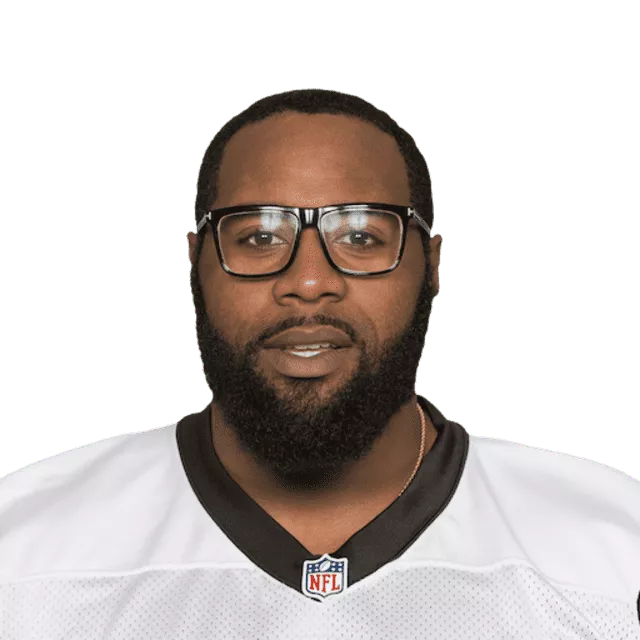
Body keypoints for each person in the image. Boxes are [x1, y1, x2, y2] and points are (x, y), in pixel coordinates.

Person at [0, 88, 638, 639]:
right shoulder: (24, 550)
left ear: (432, 265)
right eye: (258, 236)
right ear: (194, 263)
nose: (308, 282)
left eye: (361, 236)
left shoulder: (613, 550)